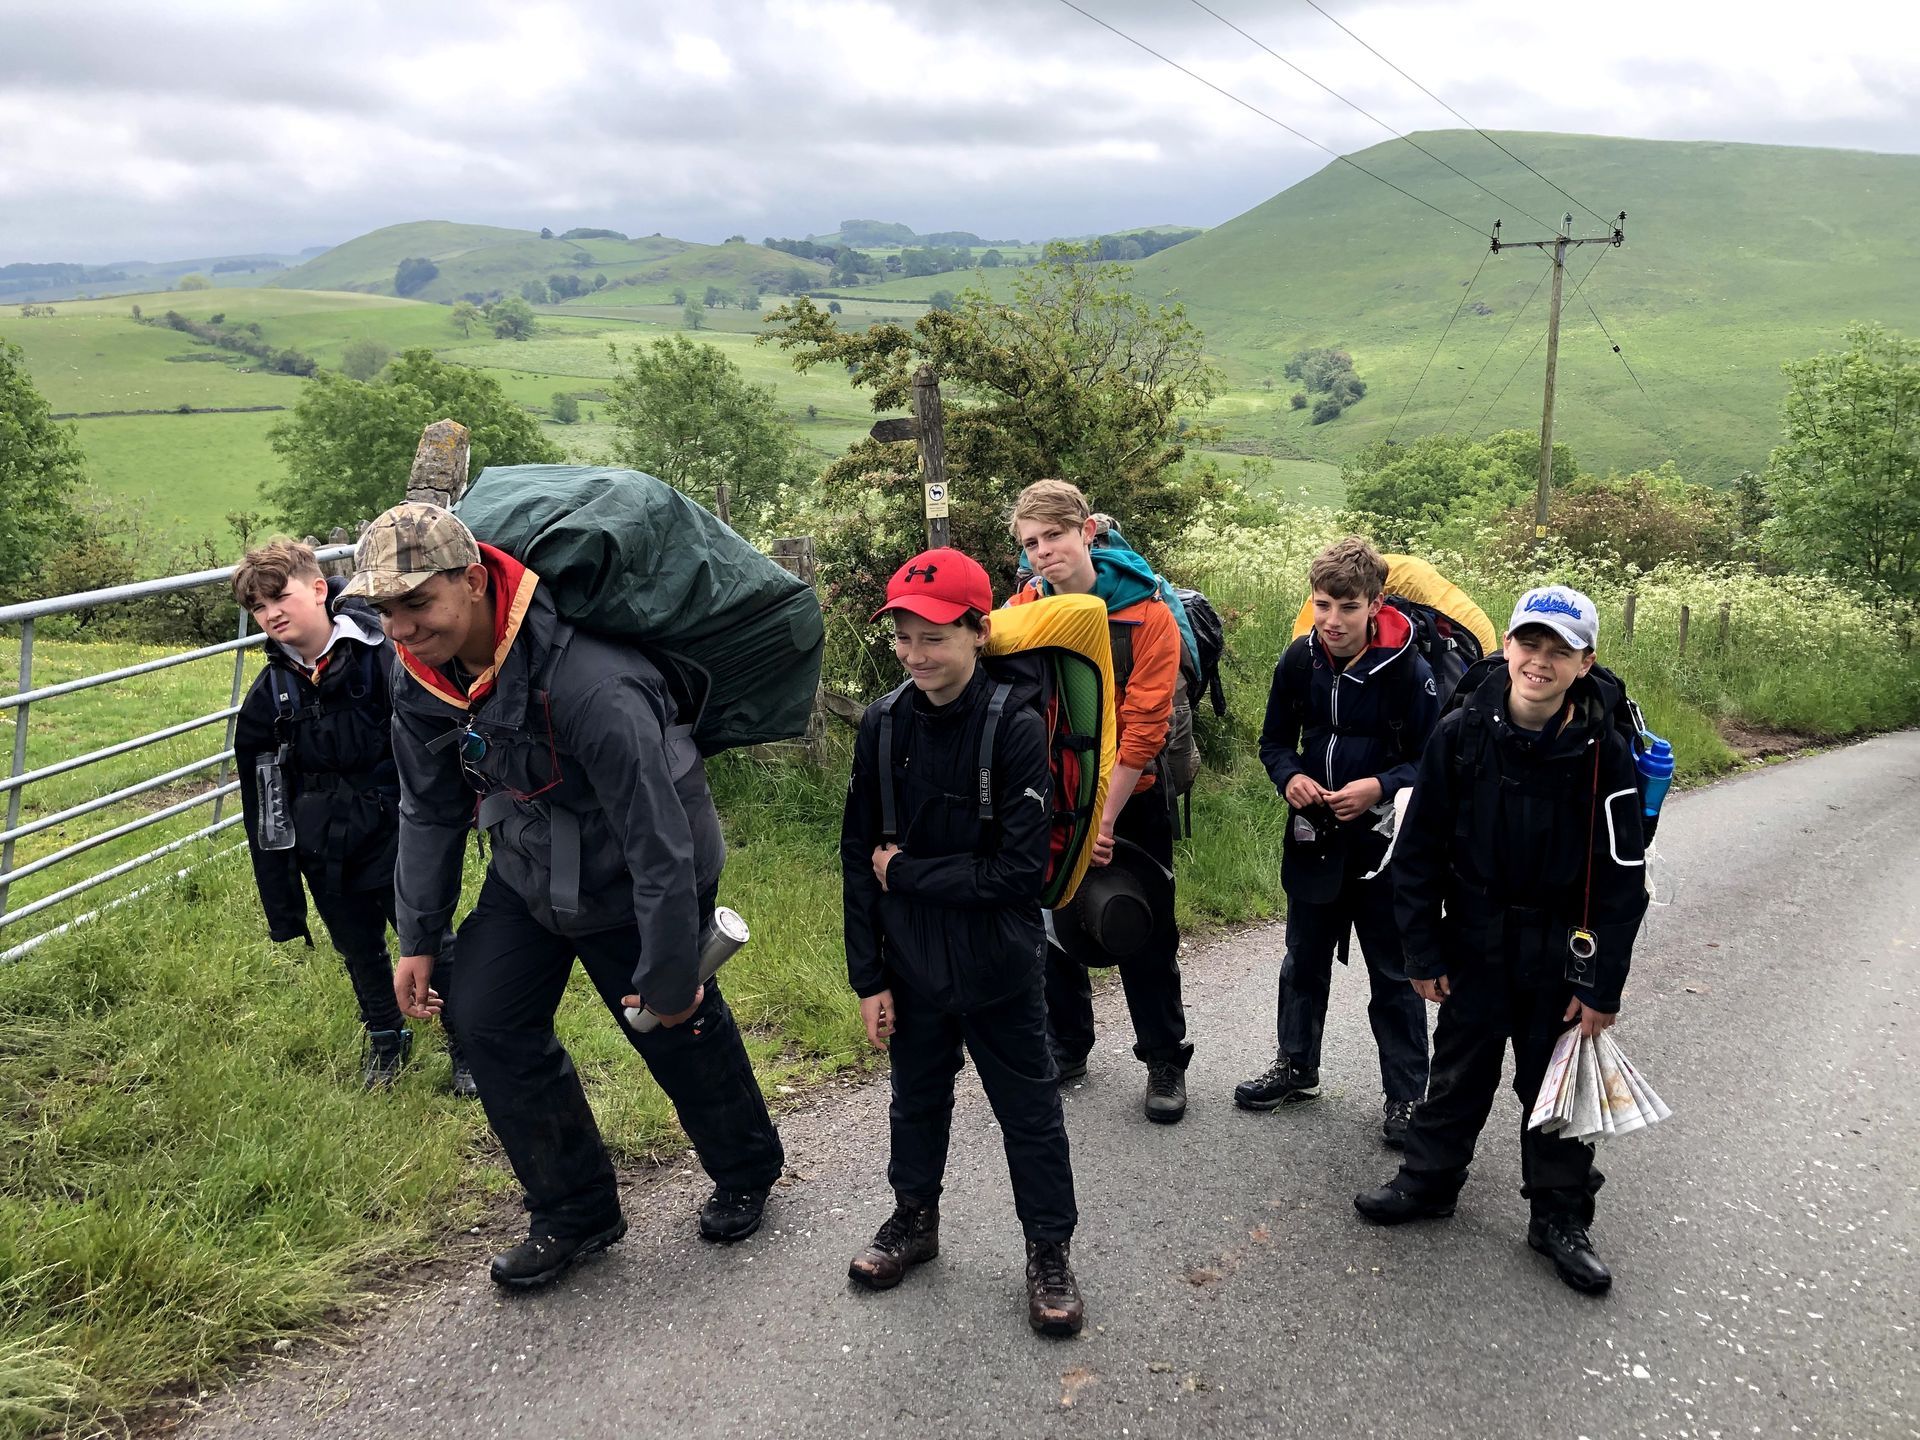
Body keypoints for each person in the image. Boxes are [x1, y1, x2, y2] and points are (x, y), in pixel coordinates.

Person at [344, 502, 785, 1291]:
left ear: (475, 582)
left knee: (669, 1020)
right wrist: (417, 937)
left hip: (638, 866)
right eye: (384, 610)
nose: (401, 627)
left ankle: (746, 1167)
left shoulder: (593, 684)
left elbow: (659, 838)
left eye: (417, 603)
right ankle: (576, 1210)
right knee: (485, 1019)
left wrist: (673, 965)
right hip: (530, 867)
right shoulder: (417, 674)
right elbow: (430, 806)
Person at [1354, 585, 1650, 1295]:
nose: (1539, 662)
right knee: (1457, 1072)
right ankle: (1428, 1183)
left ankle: (1559, 1218)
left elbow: (1621, 882)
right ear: (1508, 647)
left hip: (1562, 949)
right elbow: (1418, 852)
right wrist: (1421, 951)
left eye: (1559, 650)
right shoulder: (1460, 735)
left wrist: (1601, 986)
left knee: (1556, 1090)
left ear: (1586, 662)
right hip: (1475, 939)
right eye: (1529, 643)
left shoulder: (1604, 754)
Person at [840, 546, 1085, 1337]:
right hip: (909, 963)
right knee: (915, 1099)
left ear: (980, 632)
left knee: (1029, 1109)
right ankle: (914, 1221)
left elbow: (1016, 873)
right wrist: (866, 977)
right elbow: (855, 857)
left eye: (935, 636)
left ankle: (1049, 1252)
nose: (916, 654)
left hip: (999, 963)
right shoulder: (881, 724)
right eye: (903, 636)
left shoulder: (1013, 726)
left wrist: (907, 873)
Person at [232, 539, 469, 1095]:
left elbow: (437, 734)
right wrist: (283, 896)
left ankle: (468, 1044)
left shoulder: (384, 652)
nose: (273, 614)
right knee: (357, 946)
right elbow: (265, 798)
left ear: (319, 589)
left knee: (430, 937)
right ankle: (387, 1037)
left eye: (280, 597)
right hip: (324, 845)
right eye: (259, 609)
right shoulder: (270, 696)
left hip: (397, 827)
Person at [1238, 537, 1437, 1147]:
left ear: (1375, 603)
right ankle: (1297, 1065)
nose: (1332, 620)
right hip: (1314, 835)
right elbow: (1274, 743)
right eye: (1323, 604)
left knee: (1393, 974)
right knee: (1303, 959)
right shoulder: (1298, 661)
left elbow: (1434, 763)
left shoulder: (1411, 670)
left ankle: (1406, 1097)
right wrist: (1291, 777)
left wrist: (1378, 785)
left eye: (1347, 607)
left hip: (1384, 847)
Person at [1007, 479, 1192, 1123]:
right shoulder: (1024, 610)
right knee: (1051, 923)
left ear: (1086, 532)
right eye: (1030, 543)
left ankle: (1165, 1058)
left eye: (1053, 536)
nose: (1042, 553)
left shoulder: (1148, 615)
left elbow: (1144, 728)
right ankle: (1067, 1047)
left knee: (1144, 928)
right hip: (1051, 797)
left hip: (1129, 800)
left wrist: (1101, 820)